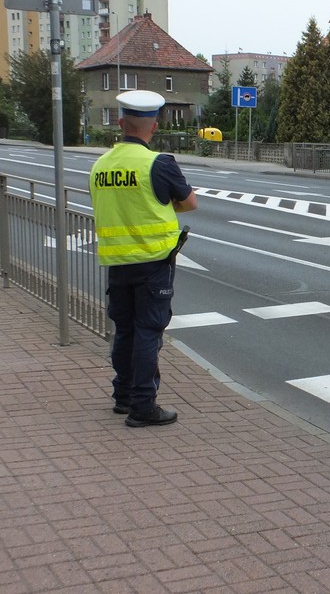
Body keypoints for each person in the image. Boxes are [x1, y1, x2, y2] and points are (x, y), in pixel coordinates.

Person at [89, 90, 197, 427]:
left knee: (124, 330)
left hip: (117, 263)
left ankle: (122, 396)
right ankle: (143, 407)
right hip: (153, 263)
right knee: (149, 331)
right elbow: (189, 202)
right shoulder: (158, 163)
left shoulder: (99, 165)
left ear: (120, 124)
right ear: (153, 126)